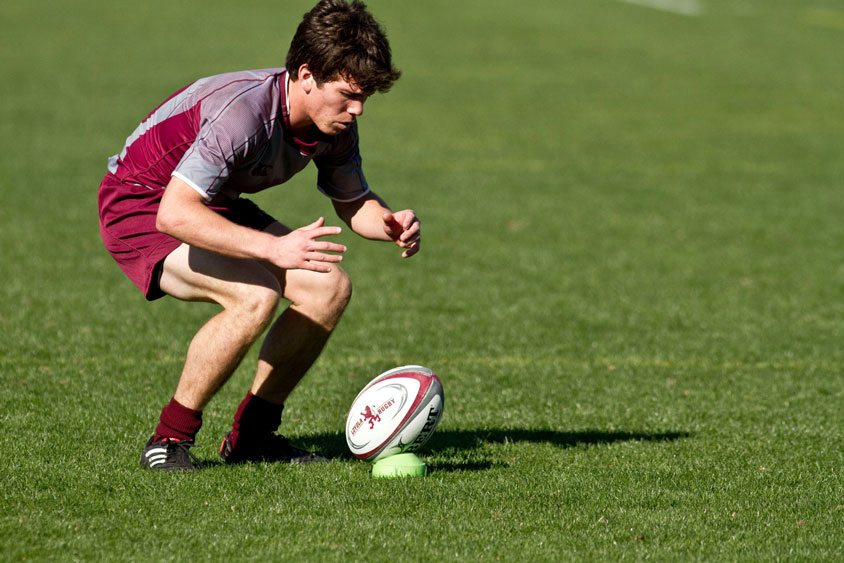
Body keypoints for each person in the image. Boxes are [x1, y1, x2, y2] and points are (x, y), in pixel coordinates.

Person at [97, 0, 419, 470]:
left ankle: (253, 437)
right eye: (349, 95)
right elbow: (175, 213)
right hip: (142, 206)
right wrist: (273, 248)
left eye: (365, 96)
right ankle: (168, 440)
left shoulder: (333, 125)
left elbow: (353, 202)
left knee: (329, 288)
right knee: (255, 294)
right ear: (307, 74)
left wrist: (387, 222)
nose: (358, 110)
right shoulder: (244, 113)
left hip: (210, 203)